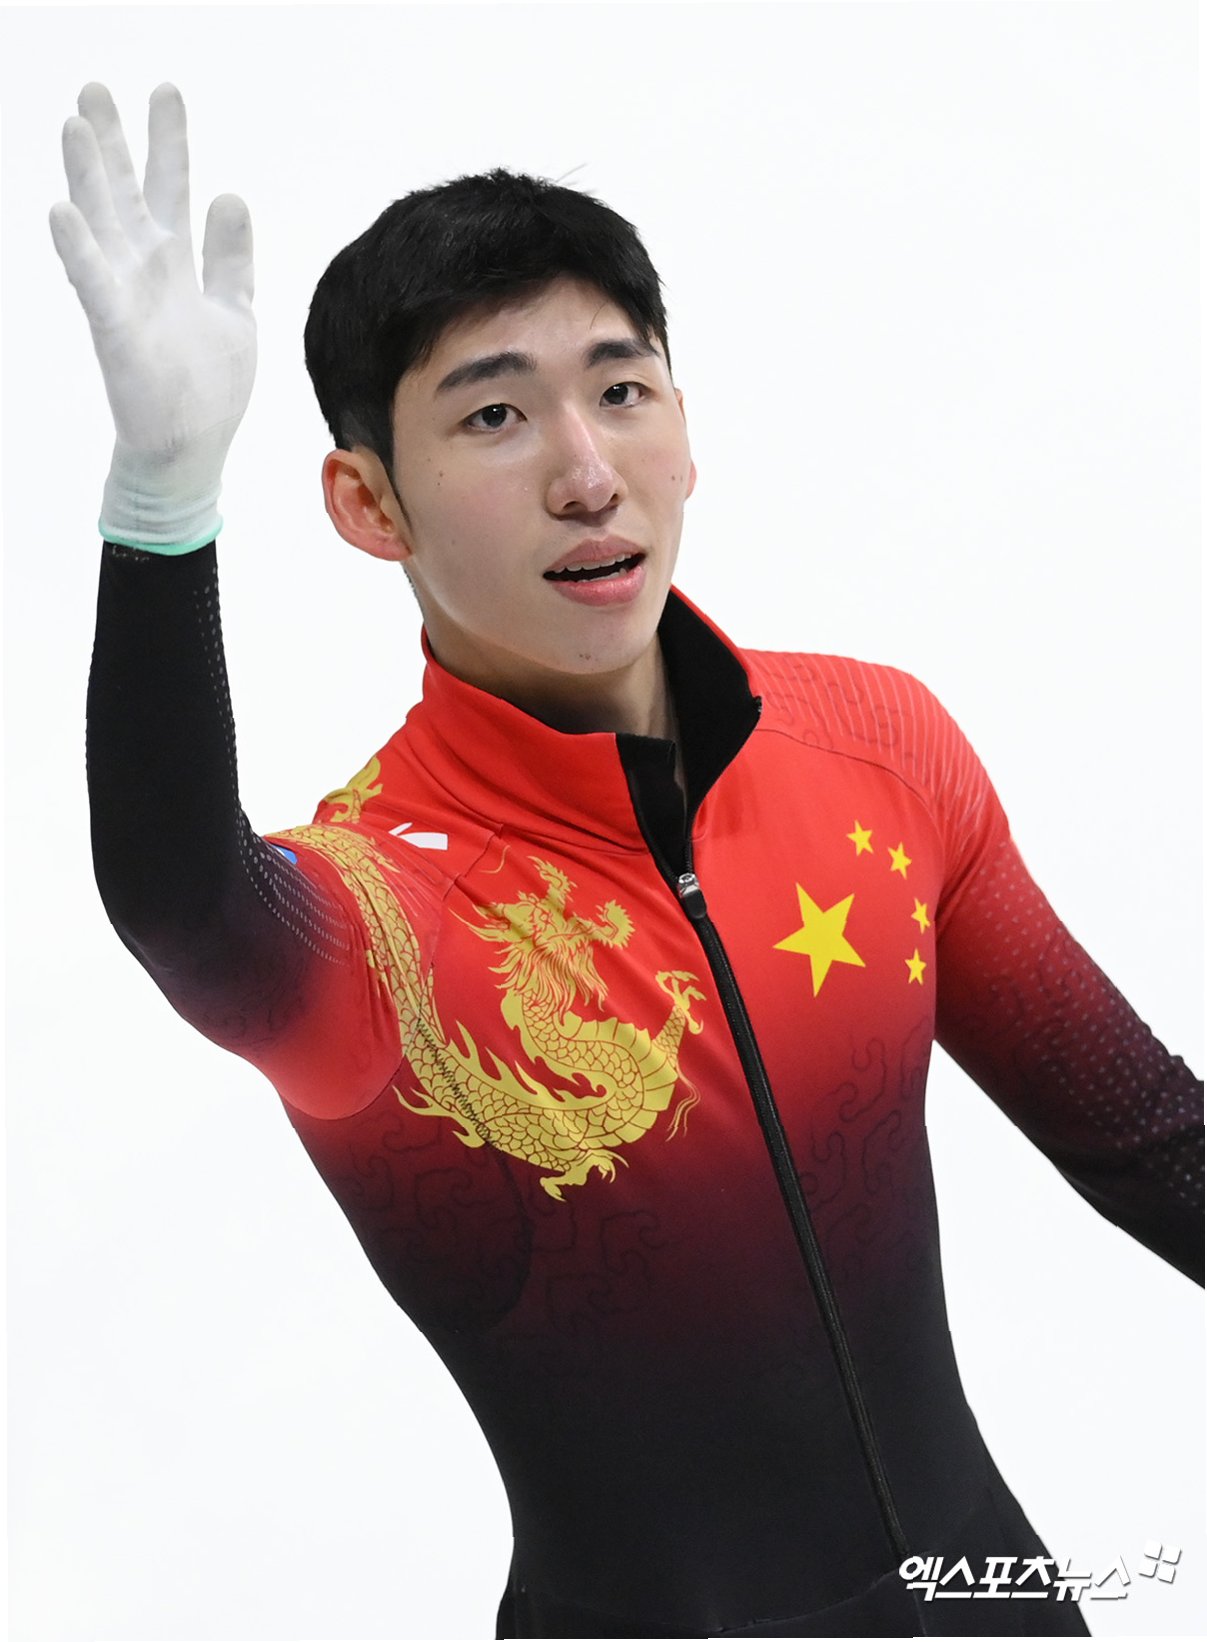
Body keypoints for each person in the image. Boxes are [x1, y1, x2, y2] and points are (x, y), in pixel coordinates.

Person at [52, 80, 1203, 1641]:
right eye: (495, 415)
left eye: (622, 389)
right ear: (368, 503)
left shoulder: (878, 744)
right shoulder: (383, 919)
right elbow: (184, 903)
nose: (587, 473)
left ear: (685, 426)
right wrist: (162, 508)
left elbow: (1148, 1139)